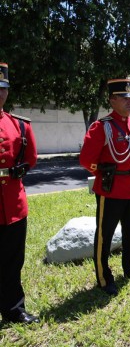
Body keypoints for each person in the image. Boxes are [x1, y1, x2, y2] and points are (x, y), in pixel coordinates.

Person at [79, 77, 130, 296]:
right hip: (111, 189)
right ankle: (103, 276)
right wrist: (105, 173)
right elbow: (86, 159)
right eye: (124, 98)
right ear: (112, 100)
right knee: (105, 235)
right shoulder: (102, 127)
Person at [0, 63, 39, 324]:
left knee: (13, 261)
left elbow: (31, 158)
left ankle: (14, 309)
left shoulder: (19, 125)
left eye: (3, 88)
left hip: (13, 204)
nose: (0, 93)